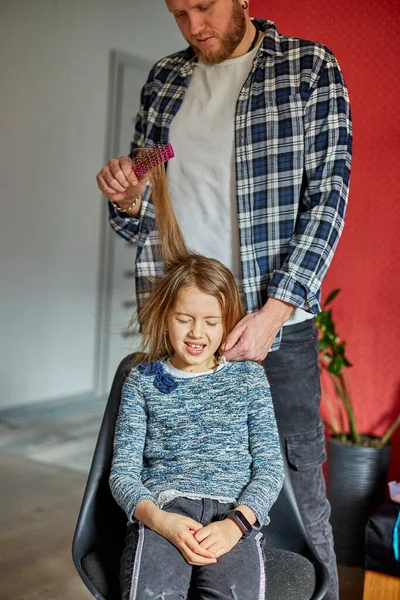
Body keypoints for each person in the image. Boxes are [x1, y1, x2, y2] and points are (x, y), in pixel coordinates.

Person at [97, 2, 352, 598]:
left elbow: (329, 199)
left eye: (203, 6)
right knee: (163, 484)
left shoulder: (307, 69)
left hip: (273, 326)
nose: (193, 27)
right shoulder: (165, 80)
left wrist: (276, 311)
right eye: (178, 12)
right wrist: (129, 196)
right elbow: (146, 191)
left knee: (297, 494)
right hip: (180, 327)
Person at [109, 168, 284, 597]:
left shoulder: (249, 379)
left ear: (227, 323)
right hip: (164, 512)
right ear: (165, 317)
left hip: (232, 518)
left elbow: (269, 470)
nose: (195, 333)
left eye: (210, 321)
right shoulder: (141, 381)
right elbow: (123, 473)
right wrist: (159, 519)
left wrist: (235, 525)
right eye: (184, 319)